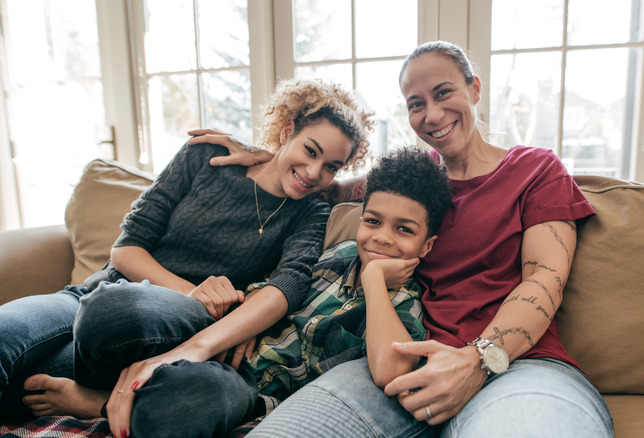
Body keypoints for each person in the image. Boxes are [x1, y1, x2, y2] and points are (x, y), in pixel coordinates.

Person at [191, 40, 613, 437]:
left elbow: (544, 281)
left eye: (444, 93)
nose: (431, 115)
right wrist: (262, 156)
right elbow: (326, 182)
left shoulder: (536, 170)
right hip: (397, 360)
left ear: (475, 88)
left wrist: (475, 361)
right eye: (416, 104)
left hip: (516, 364)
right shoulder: (414, 182)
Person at [2, 78, 372, 438]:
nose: (314, 172)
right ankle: (100, 391)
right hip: (98, 294)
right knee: (12, 336)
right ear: (286, 130)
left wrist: (207, 313)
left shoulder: (311, 212)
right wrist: (194, 292)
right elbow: (126, 248)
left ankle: (99, 399)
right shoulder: (207, 156)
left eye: (331, 166)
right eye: (310, 150)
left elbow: (287, 285)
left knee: (93, 332)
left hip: (179, 327)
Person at [249, 146, 451, 415]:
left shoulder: (406, 303)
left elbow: (391, 372)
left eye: (404, 229)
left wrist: (374, 278)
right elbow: (270, 289)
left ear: (426, 246)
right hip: (245, 370)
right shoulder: (337, 254)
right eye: (372, 221)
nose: (382, 238)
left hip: (277, 407)